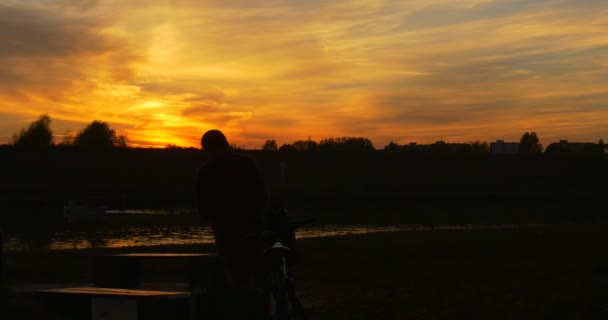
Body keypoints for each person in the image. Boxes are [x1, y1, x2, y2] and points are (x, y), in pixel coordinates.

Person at [195, 129, 267, 287]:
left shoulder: (204, 172)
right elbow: (260, 195)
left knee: (236, 277)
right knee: (258, 273)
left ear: (205, 149)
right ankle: (262, 306)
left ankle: (241, 306)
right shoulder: (246, 162)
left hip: (224, 232)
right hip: (252, 227)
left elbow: (203, 210)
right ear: (226, 144)